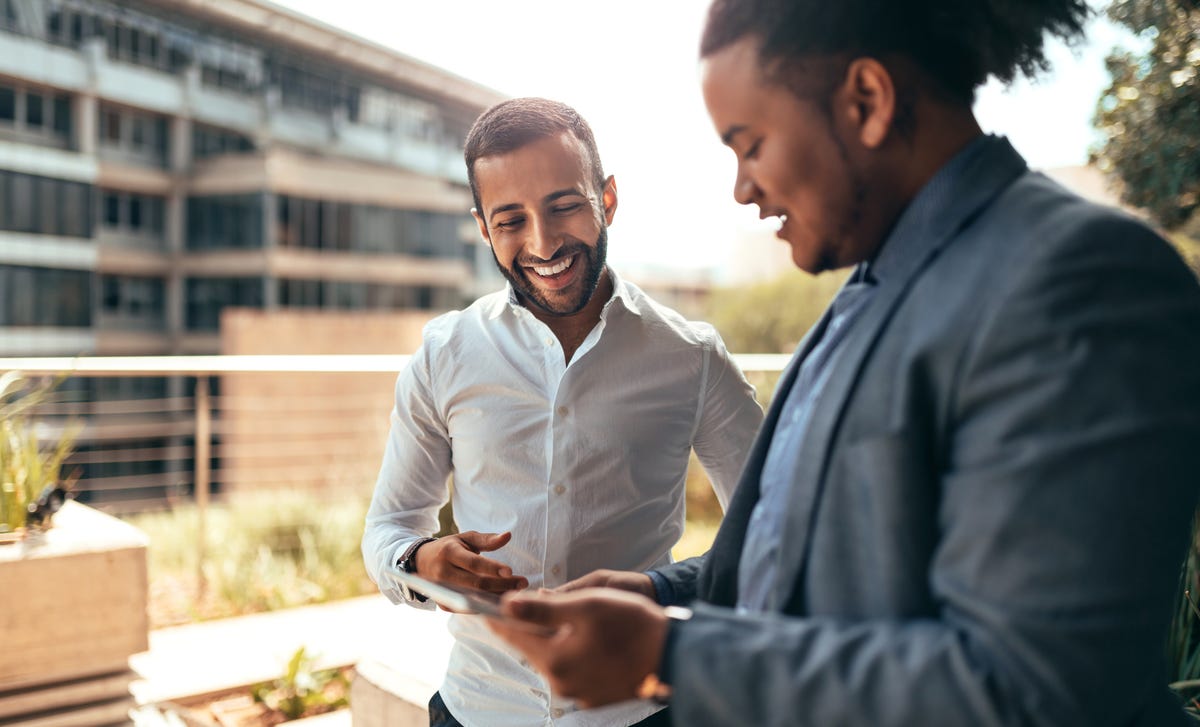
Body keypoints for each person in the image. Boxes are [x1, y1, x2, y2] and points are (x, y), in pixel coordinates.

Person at [488, 2, 1200, 725]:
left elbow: (1037, 683)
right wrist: (659, 593)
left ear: (868, 100)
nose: (742, 187)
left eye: (751, 143)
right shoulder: (867, 289)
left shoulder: (1084, 280)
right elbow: (813, 558)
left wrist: (672, 657)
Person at [361, 97, 763, 727]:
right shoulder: (445, 354)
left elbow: (776, 537)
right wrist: (420, 563)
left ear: (606, 200)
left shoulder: (692, 357)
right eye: (511, 220)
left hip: (640, 713)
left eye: (564, 206)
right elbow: (387, 527)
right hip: (474, 711)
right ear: (484, 227)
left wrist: (663, 591)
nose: (543, 242)